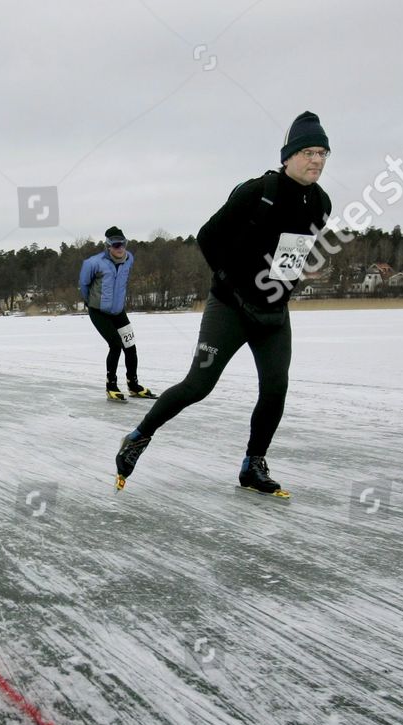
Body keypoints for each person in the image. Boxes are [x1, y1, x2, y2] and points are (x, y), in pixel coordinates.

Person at [114, 111, 333, 497]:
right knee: (198, 386)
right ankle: (139, 435)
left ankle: (253, 463)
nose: (317, 160)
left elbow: (293, 254)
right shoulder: (257, 192)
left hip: (273, 314)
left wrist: (290, 283)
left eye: (323, 152)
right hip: (229, 309)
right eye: (309, 152)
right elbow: (207, 237)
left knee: (275, 389)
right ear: (289, 156)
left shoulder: (321, 204)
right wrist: (231, 284)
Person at [79, 226, 155, 401]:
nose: (120, 248)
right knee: (115, 345)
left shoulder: (129, 259)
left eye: (123, 244)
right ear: (108, 246)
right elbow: (84, 285)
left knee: (131, 347)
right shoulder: (93, 263)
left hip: (118, 311)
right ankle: (111, 385)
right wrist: (90, 302)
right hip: (98, 311)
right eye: (115, 245)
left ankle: (133, 385)